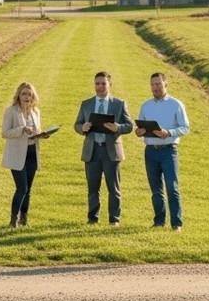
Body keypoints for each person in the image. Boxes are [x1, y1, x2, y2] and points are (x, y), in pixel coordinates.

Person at [73, 71, 133, 225]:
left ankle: (114, 219)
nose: (100, 87)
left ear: (109, 84)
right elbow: (77, 125)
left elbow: (129, 126)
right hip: (92, 150)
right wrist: (83, 128)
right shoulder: (86, 104)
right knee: (93, 188)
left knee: (114, 188)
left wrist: (117, 127)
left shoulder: (119, 104)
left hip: (111, 150)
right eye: (97, 84)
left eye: (103, 84)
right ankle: (93, 218)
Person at [135, 72, 191, 231]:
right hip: (151, 151)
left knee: (172, 188)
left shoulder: (176, 104)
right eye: (152, 85)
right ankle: (159, 222)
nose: (155, 88)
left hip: (168, 151)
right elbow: (139, 129)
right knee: (156, 189)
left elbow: (185, 128)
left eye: (158, 84)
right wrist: (138, 132)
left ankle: (176, 224)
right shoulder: (146, 106)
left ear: (166, 84)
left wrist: (169, 133)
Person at [1, 81, 48, 228]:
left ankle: (24, 218)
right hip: (17, 154)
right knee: (22, 188)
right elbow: (5, 133)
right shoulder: (11, 111)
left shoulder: (36, 112)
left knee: (29, 188)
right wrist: (21, 129)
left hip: (32, 152)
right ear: (18, 96)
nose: (27, 97)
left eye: (29, 94)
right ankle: (13, 220)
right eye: (24, 94)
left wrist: (42, 134)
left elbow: (36, 131)